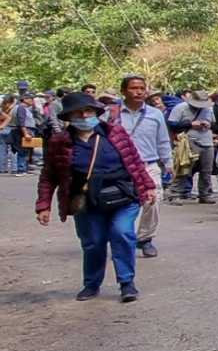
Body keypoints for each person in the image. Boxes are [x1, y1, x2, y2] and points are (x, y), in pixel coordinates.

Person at [35, 93, 157, 302]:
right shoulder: (60, 142)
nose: (84, 116)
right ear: (69, 116)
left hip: (122, 196)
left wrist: (148, 186)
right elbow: (49, 175)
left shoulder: (114, 133)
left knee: (122, 233)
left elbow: (135, 162)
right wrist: (43, 205)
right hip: (86, 200)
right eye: (78, 113)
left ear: (96, 113)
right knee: (93, 242)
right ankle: (91, 284)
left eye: (88, 111)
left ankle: (127, 283)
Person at [117, 75, 172, 258]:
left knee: (154, 200)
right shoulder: (112, 114)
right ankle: (122, 238)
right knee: (120, 203)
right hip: (120, 166)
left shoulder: (155, 114)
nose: (138, 92)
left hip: (148, 164)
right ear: (123, 91)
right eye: (133, 88)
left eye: (141, 88)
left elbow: (163, 140)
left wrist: (168, 162)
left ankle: (145, 238)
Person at [167, 91, 217, 204]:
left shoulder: (208, 109)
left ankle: (205, 194)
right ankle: (175, 193)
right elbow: (172, 125)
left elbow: (214, 123)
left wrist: (208, 125)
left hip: (207, 141)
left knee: (206, 170)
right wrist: (190, 124)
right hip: (188, 142)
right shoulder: (180, 108)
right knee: (184, 168)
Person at [11, 93, 38, 176]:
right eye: (31, 99)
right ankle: (21, 169)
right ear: (25, 99)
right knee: (22, 151)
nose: (32, 101)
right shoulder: (21, 108)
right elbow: (22, 122)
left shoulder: (21, 108)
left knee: (25, 151)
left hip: (23, 131)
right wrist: (26, 133)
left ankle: (24, 169)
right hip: (23, 131)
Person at [0, 95, 15, 174]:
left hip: (1, 131)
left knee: (2, 150)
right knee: (13, 149)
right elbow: (9, 118)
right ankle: (14, 168)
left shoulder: (2, 107)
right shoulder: (14, 108)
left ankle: (1, 168)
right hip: (11, 129)